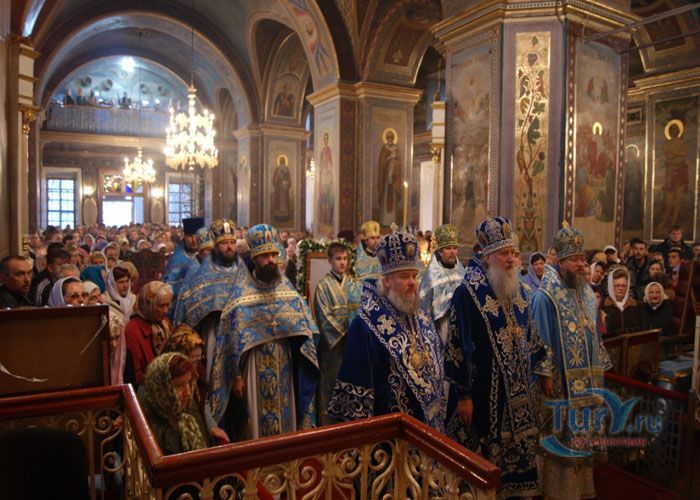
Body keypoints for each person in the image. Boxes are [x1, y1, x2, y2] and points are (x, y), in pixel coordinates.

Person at [444, 216, 550, 498]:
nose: (512, 259)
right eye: (504, 254)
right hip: (483, 394)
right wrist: (463, 395)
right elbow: (457, 345)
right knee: (483, 469)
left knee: (516, 467)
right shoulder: (467, 294)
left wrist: (541, 370)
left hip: (519, 394)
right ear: (488, 256)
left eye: (513, 253)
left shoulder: (520, 290)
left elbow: (531, 334)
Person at [208, 224, 319, 440]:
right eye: (265, 256)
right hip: (253, 365)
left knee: (286, 420)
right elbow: (230, 340)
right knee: (256, 422)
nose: (271, 261)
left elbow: (306, 328)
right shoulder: (241, 295)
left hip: (284, 362)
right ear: (255, 258)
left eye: (273, 255)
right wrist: (236, 376)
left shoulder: (286, 288)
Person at [329, 230, 446, 431]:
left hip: (428, 429)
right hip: (390, 435)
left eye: (414, 275)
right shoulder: (366, 324)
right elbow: (356, 397)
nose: (412, 282)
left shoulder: (421, 314)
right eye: (404, 276)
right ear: (386, 281)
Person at [531, 223, 612, 500]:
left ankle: (579, 491)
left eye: (582, 259)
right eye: (575, 259)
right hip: (560, 385)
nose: (581, 264)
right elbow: (540, 338)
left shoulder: (586, 292)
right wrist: (545, 375)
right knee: (559, 440)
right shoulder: (545, 297)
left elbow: (593, 333)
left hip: (587, 382)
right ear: (561, 261)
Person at [174, 219, 239, 381]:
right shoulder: (201, 275)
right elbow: (187, 311)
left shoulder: (243, 272)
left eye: (232, 242)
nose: (229, 247)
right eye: (224, 243)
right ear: (215, 247)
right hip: (213, 336)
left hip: (241, 338)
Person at [312, 242, 361, 425]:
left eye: (345, 258)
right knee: (331, 387)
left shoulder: (355, 284)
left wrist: (356, 336)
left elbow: (361, 312)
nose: (342, 263)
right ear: (330, 260)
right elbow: (324, 318)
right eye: (338, 259)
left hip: (353, 348)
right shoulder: (322, 287)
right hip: (333, 350)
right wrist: (348, 336)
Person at [138, 353, 210, 455]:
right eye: (179, 386)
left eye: (189, 382)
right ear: (162, 389)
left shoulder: (188, 410)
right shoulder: (147, 426)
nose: (188, 392)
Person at [418, 224, 465, 349]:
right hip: (441, 327)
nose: (452, 252)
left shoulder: (462, 274)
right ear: (440, 251)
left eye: (455, 248)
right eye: (448, 248)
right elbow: (423, 309)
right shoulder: (431, 276)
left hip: (462, 326)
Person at [124, 281, 173, 387]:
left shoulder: (164, 323)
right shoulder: (132, 330)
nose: (166, 310)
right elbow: (135, 376)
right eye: (161, 306)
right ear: (148, 304)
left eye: (168, 305)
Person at [102, 266, 136, 384]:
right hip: (114, 349)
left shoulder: (134, 300)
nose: (125, 285)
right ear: (112, 283)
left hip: (131, 348)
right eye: (121, 282)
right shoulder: (104, 301)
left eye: (127, 281)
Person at [162, 217, 202, 318]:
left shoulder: (209, 257)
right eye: (190, 236)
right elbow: (168, 290)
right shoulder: (176, 260)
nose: (194, 240)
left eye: (196, 236)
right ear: (184, 237)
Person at [600, 267, 646, 336]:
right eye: (617, 285)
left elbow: (642, 331)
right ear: (611, 286)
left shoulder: (638, 306)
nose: (621, 288)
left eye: (624, 286)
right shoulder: (602, 305)